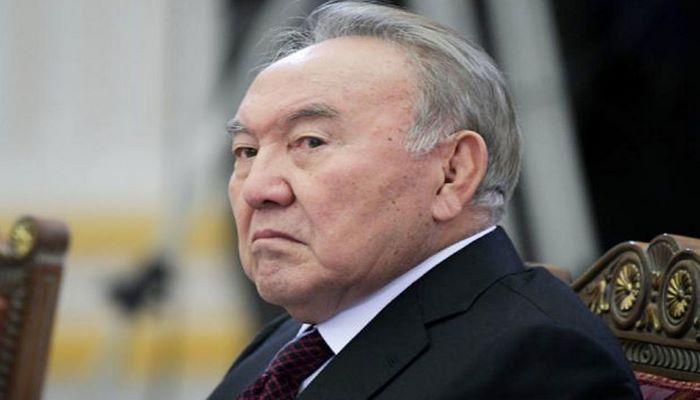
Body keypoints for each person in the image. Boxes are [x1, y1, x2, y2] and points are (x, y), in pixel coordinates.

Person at [209, 1, 641, 399]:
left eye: (310, 142)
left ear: (452, 173)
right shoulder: (281, 346)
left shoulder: (538, 361)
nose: (257, 189)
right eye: (246, 151)